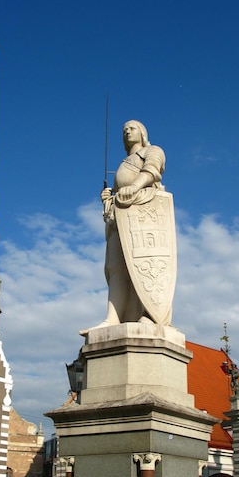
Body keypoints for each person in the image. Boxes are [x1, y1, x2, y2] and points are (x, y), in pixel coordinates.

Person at [83, 120, 174, 334]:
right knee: (115, 267)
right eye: (124, 130)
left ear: (142, 133)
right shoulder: (124, 162)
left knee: (144, 265)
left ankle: (150, 314)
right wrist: (108, 199)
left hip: (143, 208)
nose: (127, 131)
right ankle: (112, 318)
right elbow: (118, 192)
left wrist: (134, 186)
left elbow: (153, 170)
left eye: (132, 128)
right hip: (121, 214)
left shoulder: (153, 150)